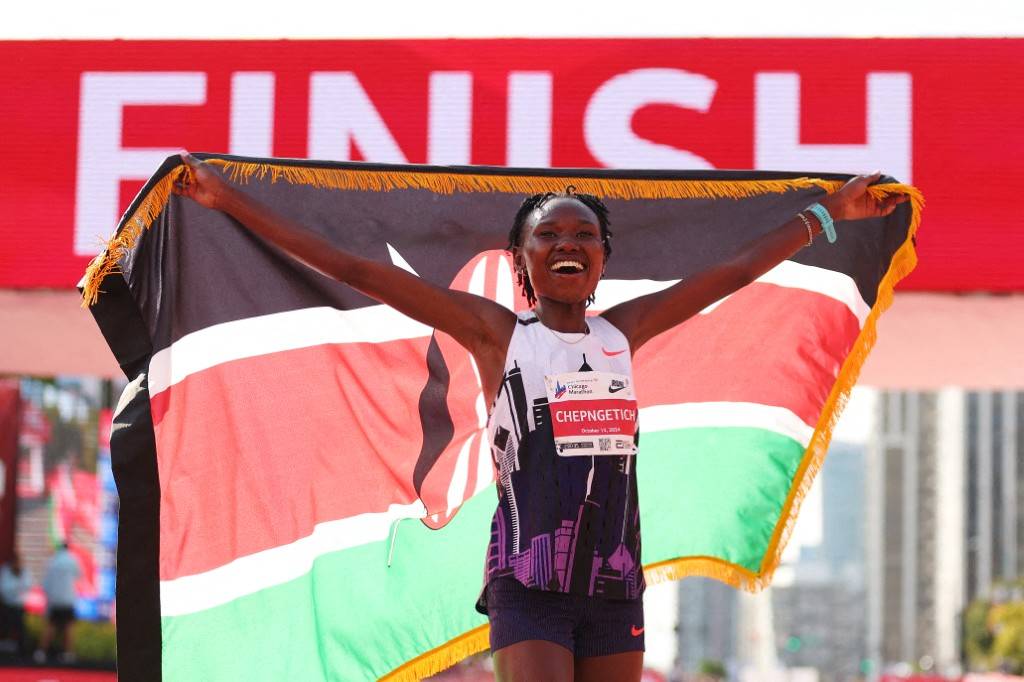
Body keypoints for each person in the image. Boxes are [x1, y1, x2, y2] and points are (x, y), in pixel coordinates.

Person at [174, 152, 906, 682]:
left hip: (616, 582)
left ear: (600, 264)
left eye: (584, 236)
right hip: (530, 584)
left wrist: (829, 214)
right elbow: (363, 273)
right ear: (523, 266)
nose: (568, 244)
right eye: (549, 236)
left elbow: (735, 272)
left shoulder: (625, 332)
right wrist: (230, 202)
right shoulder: (500, 335)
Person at [36, 543, 80, 663]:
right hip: (68, 600)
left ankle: (41, 652)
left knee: (50, 626)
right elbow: (78, 576)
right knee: (68, 627)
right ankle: (68, 653)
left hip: (54, 600)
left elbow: (45, 584)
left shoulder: (52, 561)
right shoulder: (72, 560)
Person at [0, 553, 32, 657]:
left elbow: (27, 585)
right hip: (7, 605)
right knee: (5, 628)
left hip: (19, 606)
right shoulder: (5, 571)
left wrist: (15, 588)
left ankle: (22, 653)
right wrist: (17, 587)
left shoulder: (24, 572)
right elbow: (4, 589)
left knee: (20, 629)